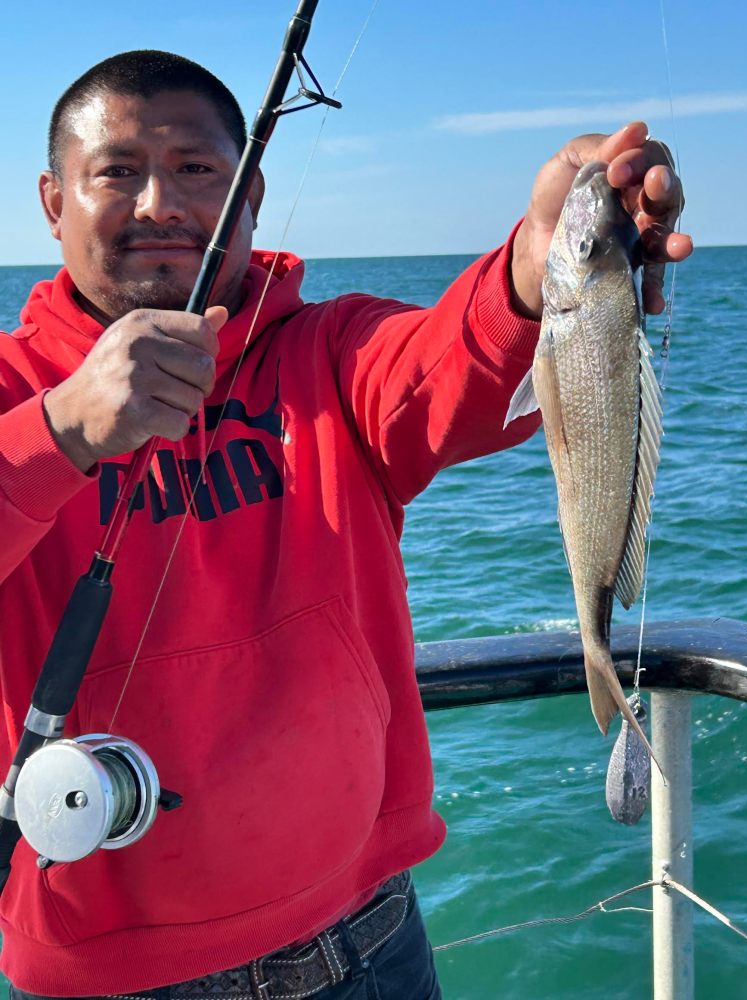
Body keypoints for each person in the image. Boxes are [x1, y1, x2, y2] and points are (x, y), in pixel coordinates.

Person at [0, 49, 691, 1000]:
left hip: (372, 939)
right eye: (116, 170)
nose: (161, 201)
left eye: (199, 170)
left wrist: (542, 254)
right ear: (52, 200)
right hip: (108, 975)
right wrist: (62, 430)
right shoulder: (12, 393)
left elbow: (456, 363)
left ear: (250, 196)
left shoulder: (330, 352)